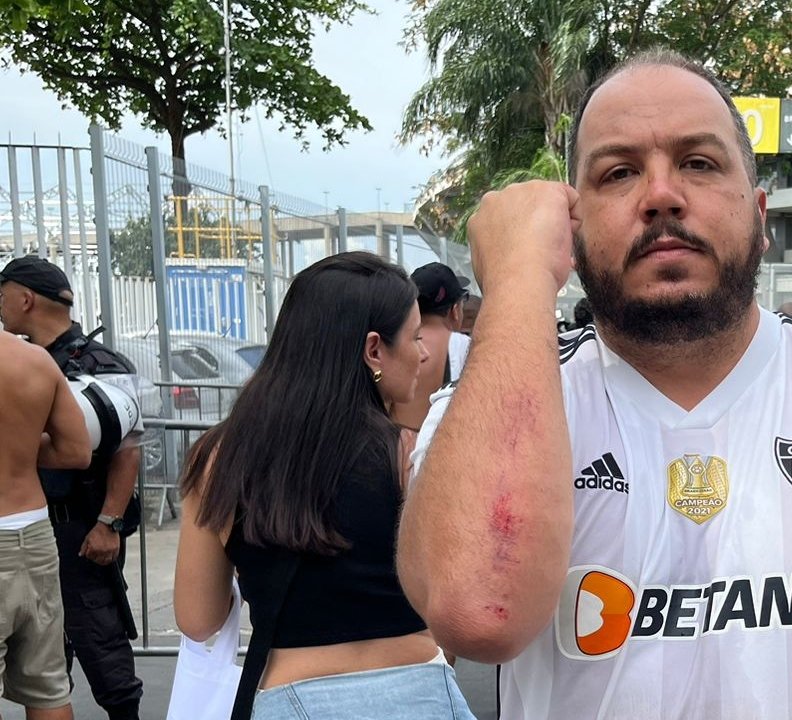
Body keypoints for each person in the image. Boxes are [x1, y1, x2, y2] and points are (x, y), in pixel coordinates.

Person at [399, 50, 792, 719]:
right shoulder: (481, 418)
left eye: (699, 163)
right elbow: (480, 611)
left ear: (760, 214)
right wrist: (518, 281)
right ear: (574, 230)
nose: (660, 195)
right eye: (618, 173)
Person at [173, 252, 473, 720]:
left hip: (288, 698)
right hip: (419, 694)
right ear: (374, 349)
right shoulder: (409, 457)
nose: (423, 352)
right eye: (414, 336)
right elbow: (454, 603)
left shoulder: (217, 458)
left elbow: (197, 618)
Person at [0, 256, 145, 720]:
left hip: (82, 528)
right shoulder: (36, 362)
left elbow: (128, 448)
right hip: (40, 527)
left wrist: (109, 523)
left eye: (3, 295)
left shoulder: (100, 363)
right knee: (47, 673)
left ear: (25, 299)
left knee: (101, 643)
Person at [0, 329, 92, 720]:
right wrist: (19, 445)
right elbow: (76, 450)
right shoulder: (35, 359)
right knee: (47, 686)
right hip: (33, 534)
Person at [392, 263, 472, 434]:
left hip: (393, 451)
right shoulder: (465, 348)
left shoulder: (390, 344)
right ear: (455, 310)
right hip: (440, 452)